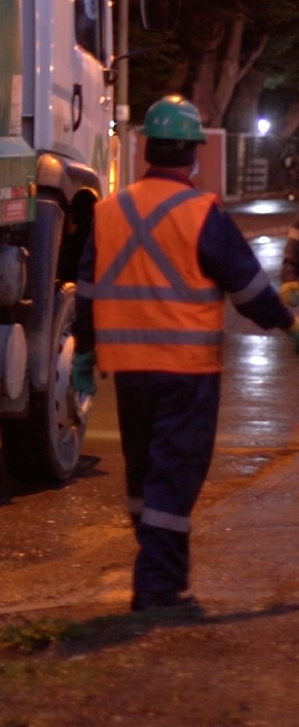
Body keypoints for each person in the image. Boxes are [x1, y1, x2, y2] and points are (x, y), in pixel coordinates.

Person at [72, 95, 299, 612]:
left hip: (129, 372)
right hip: (186, 370)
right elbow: (246, 288)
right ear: (192, 156)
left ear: (148, 149)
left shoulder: (110, 211)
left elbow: (86, 292)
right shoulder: (202, 212)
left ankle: (161, 575)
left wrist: (85, 354)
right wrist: (288, 324)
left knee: (145, 473)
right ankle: (157, 590)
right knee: (174, 476)